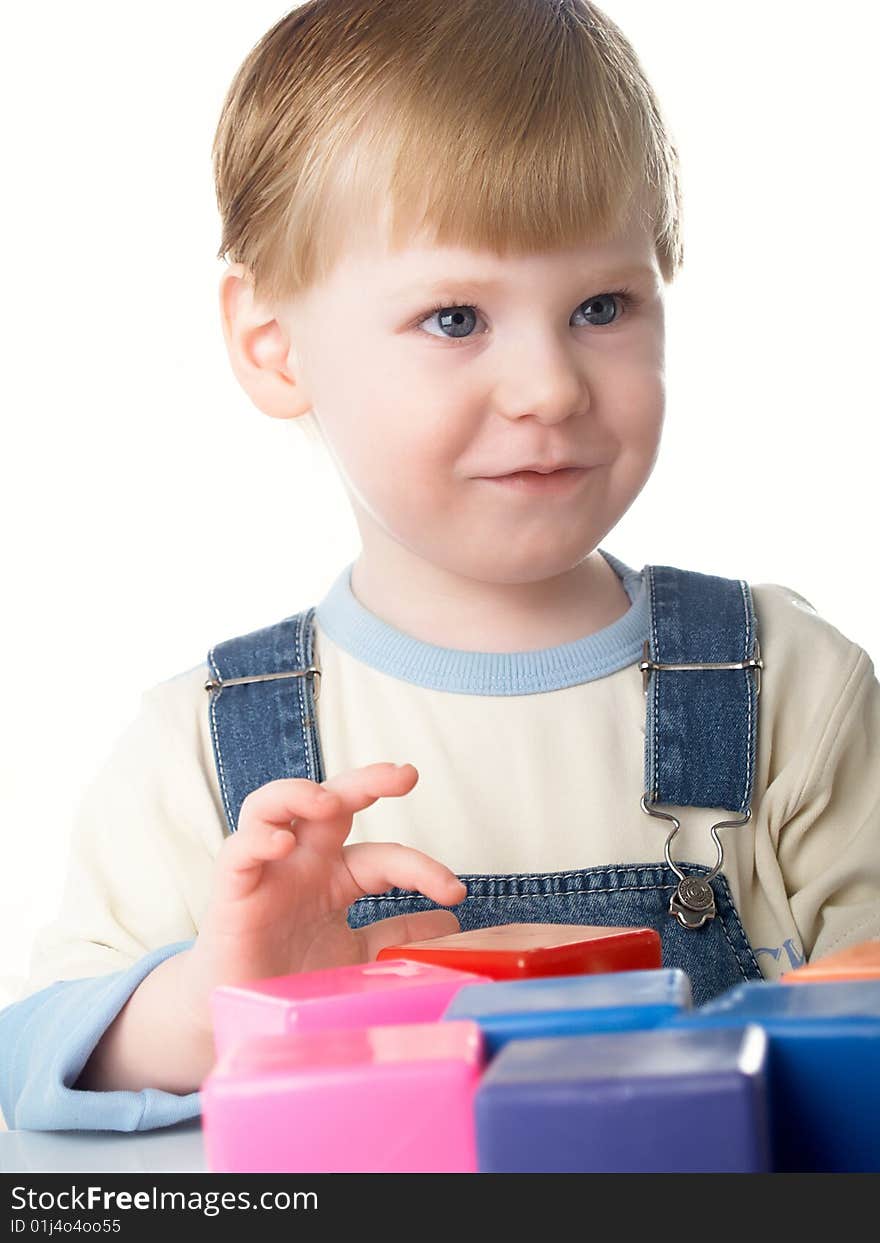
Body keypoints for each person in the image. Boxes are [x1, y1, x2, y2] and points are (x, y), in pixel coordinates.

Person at [2, 0, 879, 1134]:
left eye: (599, 306)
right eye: (456, 315)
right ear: (274, 346)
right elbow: (30, 1056)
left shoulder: (784, 688)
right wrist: (222, 996)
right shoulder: (204, 755)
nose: (550, 388)